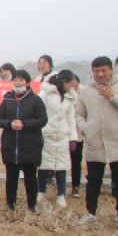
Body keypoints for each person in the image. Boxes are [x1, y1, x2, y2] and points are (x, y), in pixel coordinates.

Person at [76, 57, 118, 229]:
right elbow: (79, 113)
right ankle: (91, 212)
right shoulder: (86, 91)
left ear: (111, 70)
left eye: (104, 70)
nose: (100, 74)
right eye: (96, 71)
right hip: (95, 140)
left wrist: (113, 97)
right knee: (93, 179)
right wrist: (85, 127)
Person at [0, 70, 47, 212]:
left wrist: (25, 124)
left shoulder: (35, 100)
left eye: (21, 80)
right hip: (11, 145)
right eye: (16, 80)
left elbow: (43, 120)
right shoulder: (7, 100)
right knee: (11, 178)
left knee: (30, 178)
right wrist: (10, 124)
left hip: (29, 146)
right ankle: (10, 204)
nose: (18, 83)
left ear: (28, 83)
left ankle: (32, 205)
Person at [37, 70, 78, 208]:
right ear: (63, 82)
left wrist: (73, 138)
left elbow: (71, 119)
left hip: (62, 135)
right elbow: (38, 111)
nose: (72, 84)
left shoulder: (70, 97)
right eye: (70, 82)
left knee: (62, 166)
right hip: (47, 133)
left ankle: (61, 195)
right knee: (43, 165)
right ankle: (40, 192)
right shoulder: (46, 93)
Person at [70, 74, 85, 197]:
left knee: (76, 161)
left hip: (78, 133)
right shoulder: (63, 93)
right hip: (64, 132)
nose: (72, 83)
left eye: (74, 80)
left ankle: (76, 185)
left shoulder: (84, 93)